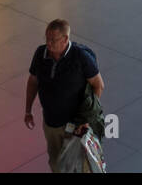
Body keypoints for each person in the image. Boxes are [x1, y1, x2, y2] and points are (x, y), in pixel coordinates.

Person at [24, 20, 104, 173]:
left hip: (76, 125)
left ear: (65, 39)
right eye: (46, 38)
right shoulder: (40, 54)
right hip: (51, 124)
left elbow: (98, 85)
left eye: (53, 40)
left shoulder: (80, 57)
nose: (48, 43)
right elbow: (33, 81)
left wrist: (86, 119)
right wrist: (28, 111)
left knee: (79, 166)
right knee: (56, 164)